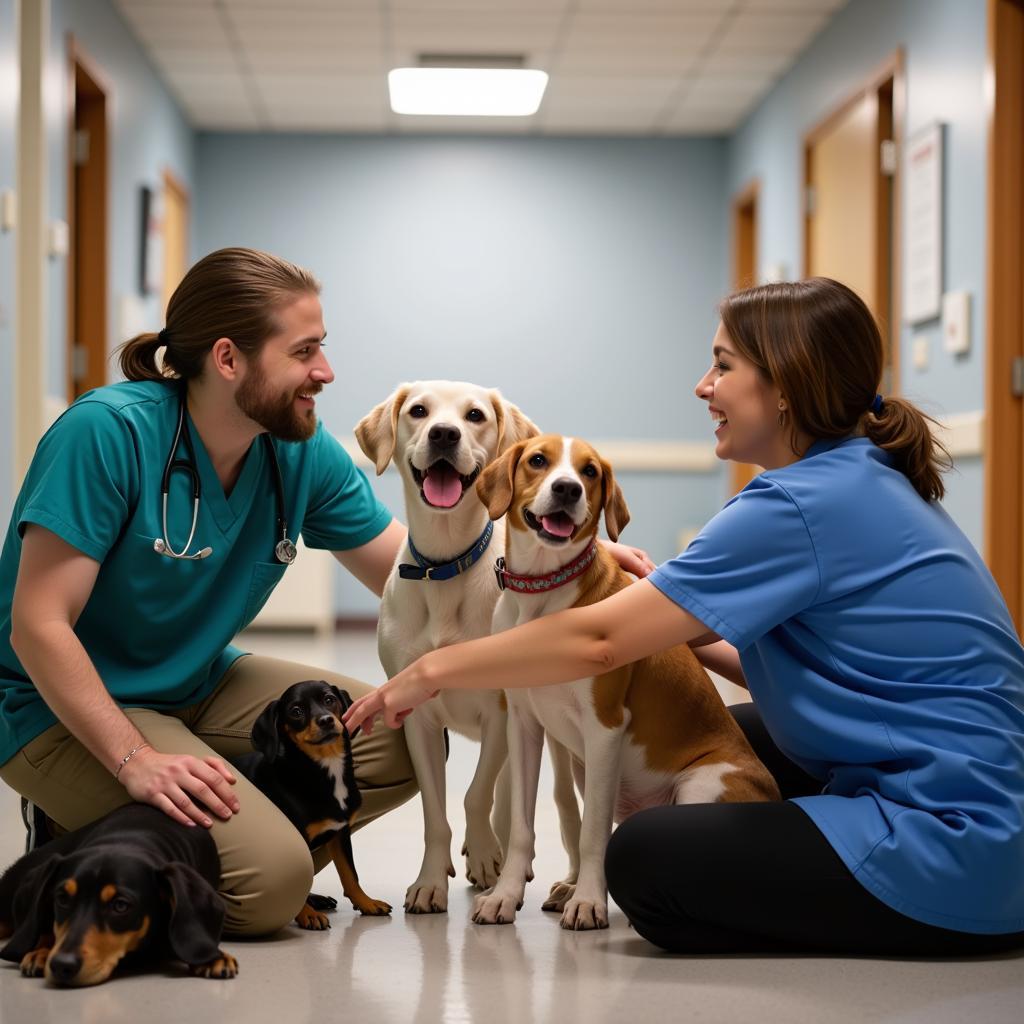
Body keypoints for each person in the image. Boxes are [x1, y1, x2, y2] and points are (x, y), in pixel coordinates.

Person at [344, 277, 1024, 956]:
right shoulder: (861, 472)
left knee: (644, 861)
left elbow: (601, 640)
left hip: (958, 843)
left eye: (724, 365)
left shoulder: (793, 507)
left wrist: (429, 669)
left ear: (786, 385)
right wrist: (671, 625)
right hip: (978, 790)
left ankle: (818, 858)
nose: (705, 386)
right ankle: (792, 836)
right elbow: (806, 669)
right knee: (724, 726)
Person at [0, 246, 652, 937]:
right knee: (271, 885)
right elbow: (37, 625)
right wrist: (135, 760)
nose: (326, 372)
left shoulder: (296, 450)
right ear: (228, 359)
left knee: (388, 742)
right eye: (305, 351)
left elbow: (411, 563)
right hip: (57, 707)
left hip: (198, 686)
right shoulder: (107, 434)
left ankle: (209, 814)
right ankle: (93, 843)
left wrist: (560, 548)